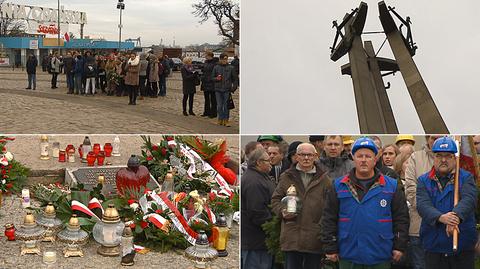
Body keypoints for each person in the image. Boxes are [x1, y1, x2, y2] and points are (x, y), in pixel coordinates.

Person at [321, 137, 409, 269]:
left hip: (380, 253)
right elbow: (329, 218)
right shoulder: (339, 185)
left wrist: (399, 246)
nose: (363, 160)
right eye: (359, 156)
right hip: (349, 253)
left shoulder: (391, 186)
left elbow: (401, 218)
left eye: (368, 156)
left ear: (375, 159)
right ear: (353, 158)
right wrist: (330, 246)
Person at [416, 136, 477, 269]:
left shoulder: (466, 178)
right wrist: (441, 218)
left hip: (462, 245)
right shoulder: (423, 180)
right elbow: (422, 205)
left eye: (448, 156)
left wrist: (454, 217)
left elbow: (469, 200)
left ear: (455, 158)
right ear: (434, 157)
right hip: (434, 245)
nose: (443, 160)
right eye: (439, 155)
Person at [271, 143, 332, 269]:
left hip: (314, 238)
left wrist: (321, 228)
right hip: (292, 237)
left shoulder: (325, 180)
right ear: (296, 157)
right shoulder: (286, 176)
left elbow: (330, 208)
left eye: (309, 155)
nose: (306, 158)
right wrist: (282, 212)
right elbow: (275, 200)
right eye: (302, 154)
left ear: (315, 156)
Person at [241, 148, 276, 269]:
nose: (271, 163)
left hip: (259, 241)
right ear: (259, 163)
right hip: (255, 242)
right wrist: (273, 225)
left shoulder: (260, 177)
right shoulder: (254, 182)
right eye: (268, 160)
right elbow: (257, 212)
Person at [212, 53, 238, 127]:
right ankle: (220, 119)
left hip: (227, 89)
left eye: (226, 59)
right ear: (220, 59)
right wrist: (216, 78)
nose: (224, 60)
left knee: (226, 106)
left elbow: (235, 79)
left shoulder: (231, 68)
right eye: (223, 59)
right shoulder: (216, 67)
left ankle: (226, 120)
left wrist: (234, 87)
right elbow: (212, 77)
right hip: (218, 89)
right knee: (219, 106)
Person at [201, 51, 217, 118]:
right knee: (206, 99)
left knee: (213, 99)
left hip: (212, 83)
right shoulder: (205, 62)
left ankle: (213, 113)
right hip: (205, 83)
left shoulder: (215, 63)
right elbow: (204, 71)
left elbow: (215, 73)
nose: (204, 56)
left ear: (209, 55)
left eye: (205, 55)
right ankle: (206, 112)